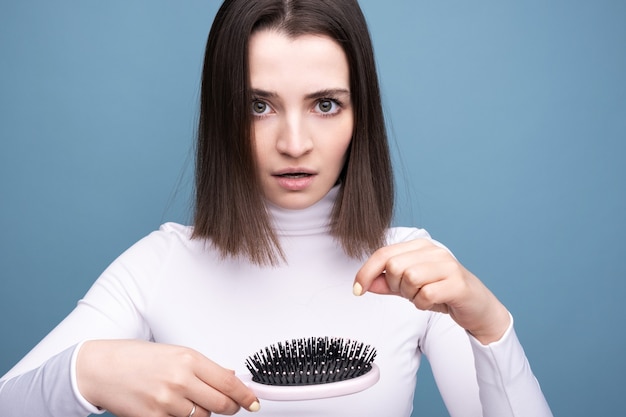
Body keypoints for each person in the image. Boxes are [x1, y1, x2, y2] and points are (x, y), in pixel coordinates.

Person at [0, 0, 553, 416]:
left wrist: (490, 325)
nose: (294, 142)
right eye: (259, 106)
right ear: (223, 115)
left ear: (362, 116)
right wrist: (84, 373)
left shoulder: (415, 268)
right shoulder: (158, 264)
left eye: (325, 104)